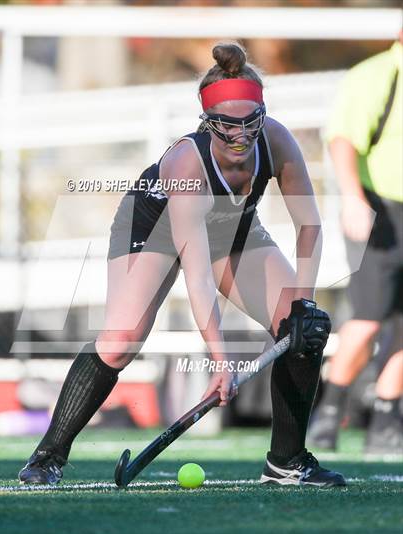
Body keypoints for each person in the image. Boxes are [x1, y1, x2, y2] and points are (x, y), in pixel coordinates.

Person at [19, 43, 345, 487]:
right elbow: (197, 274)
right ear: (206, 122)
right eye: (227, 126)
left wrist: (303, 305)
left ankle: (287, 461)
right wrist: (220, 360)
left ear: (263, 116)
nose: (241, 137)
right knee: (121, 339)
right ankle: (47, 455)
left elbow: (310, 225)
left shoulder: (277, 142)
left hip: (231, 230)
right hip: (153, 227)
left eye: (251, 124)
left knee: (303, 328)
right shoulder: (186, 163)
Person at [309, 36, 403, 455]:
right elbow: (343, 139)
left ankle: (386, 417)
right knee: (368, 318)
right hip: (377, 207)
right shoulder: (375, 75)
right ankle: (329, 410)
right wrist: (352, 198)